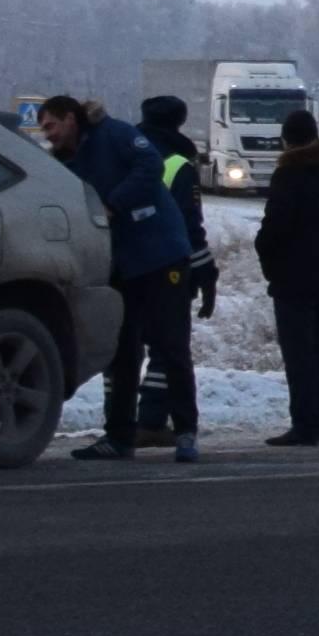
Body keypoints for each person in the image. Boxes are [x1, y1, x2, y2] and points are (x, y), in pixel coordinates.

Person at [36, 92, 206, 461]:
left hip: (162, 255)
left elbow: (149, 165)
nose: (47, 134)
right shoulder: (64, 165)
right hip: (120, 265)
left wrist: (113, 203)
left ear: (70, 117)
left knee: (171, 344)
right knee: (121, 351)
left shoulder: (113, 133)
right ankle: (119, 437)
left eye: (50, 125)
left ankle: (186, 432)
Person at [254, 107, 319, 446]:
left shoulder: (288, 174)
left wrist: (263, 249)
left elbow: (275, 225)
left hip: (292, 275)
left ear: (286, 140)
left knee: (297, 354)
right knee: (317, 349)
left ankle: (304, 425)